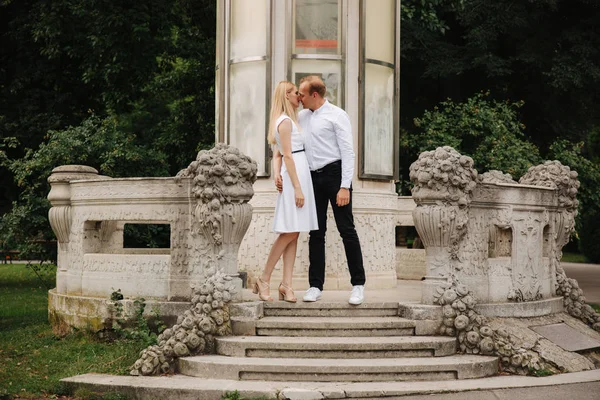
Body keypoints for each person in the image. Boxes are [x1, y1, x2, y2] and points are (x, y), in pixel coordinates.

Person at [297, 75, 366, 305]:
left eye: (302, 94)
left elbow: (348, 152)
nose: (299, 97)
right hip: (312, 178)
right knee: (316, 233)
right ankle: (315, 285)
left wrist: (345, 186)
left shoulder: (337, 115)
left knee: (347, 230)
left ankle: (358, 285)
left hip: (335, 175)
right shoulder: (301, 117)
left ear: (314, 95)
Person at [253, 81, 318, 303]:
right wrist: (297, 187)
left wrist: (277, 174)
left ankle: (287, 284)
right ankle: (264, 278)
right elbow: (286, 154)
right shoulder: (285, 122)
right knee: (289, 231)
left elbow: (278, 155)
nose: (299, 97)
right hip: (295, 177)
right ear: (286, 96)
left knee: (296, 230)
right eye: (295, 94)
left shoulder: (291, 120)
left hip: (297, 173)